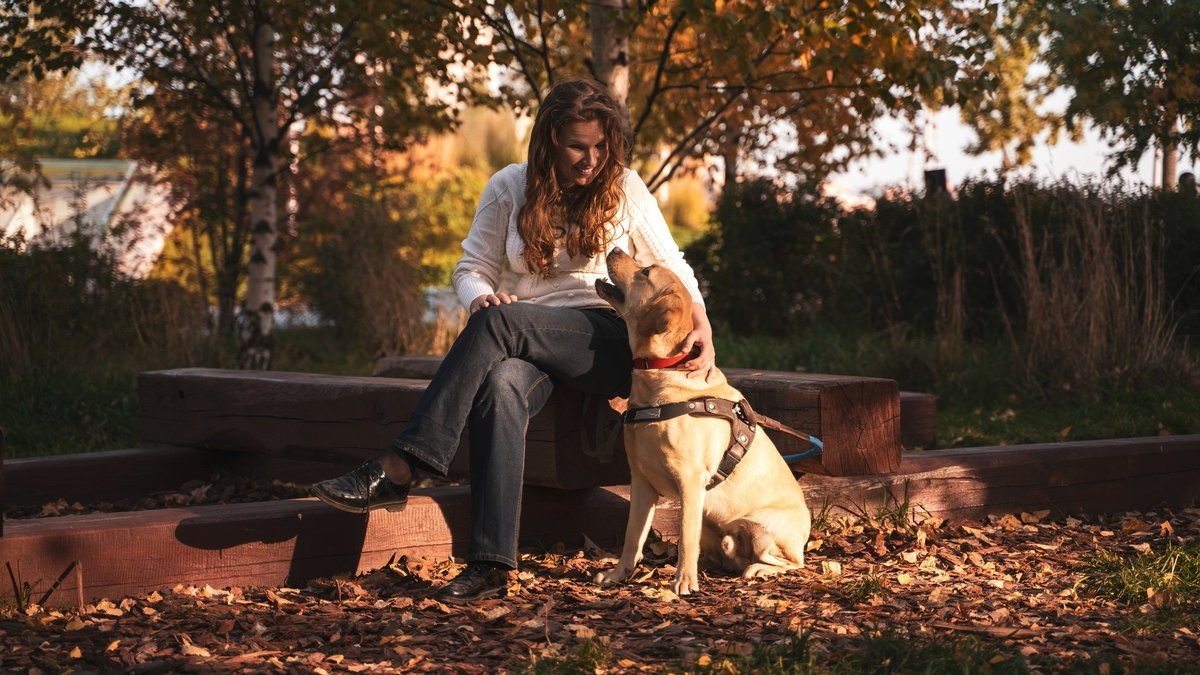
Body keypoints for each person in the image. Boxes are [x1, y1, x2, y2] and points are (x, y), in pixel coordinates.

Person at [311, 78, 714, 603]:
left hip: (604, 337)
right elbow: (472, 268)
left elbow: (673, 263)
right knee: (501, 383)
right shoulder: (508, 186)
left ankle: (402, 465)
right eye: (576, 146)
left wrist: (701, 316)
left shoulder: (625, 187)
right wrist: (480, 297)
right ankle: (491, 563)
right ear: (548, 140)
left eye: (599, 146)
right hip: (524, 337)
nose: (590, 160)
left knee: (502, 323)